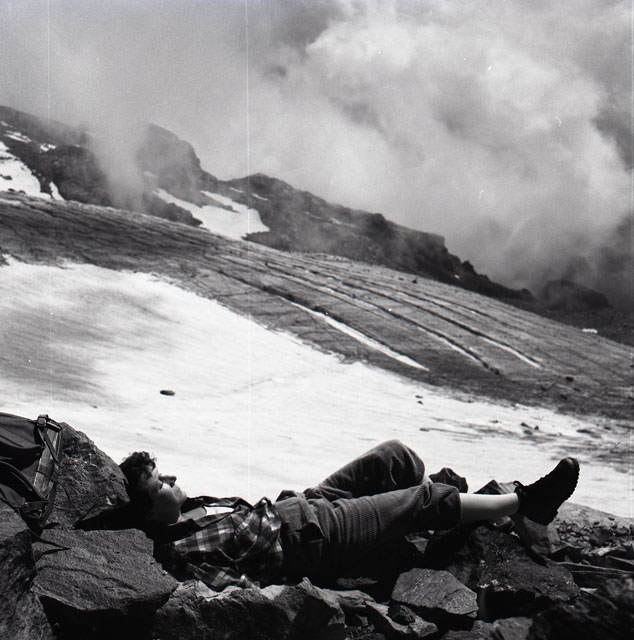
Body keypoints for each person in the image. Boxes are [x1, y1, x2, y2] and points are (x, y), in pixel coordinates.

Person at [119, 440, 579, 591]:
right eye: (161, 483)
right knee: (418, 503)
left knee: (392, 458)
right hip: (308, 541)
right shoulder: (177, 552)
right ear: (152, 514)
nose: (171, 478)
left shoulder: (193, 508)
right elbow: (235, 589)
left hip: (299, 505)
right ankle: (526, 505)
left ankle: (442, 511)